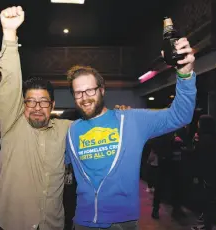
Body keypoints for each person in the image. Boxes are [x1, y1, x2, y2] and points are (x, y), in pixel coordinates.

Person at [65, 38, 196, 229]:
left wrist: (185, 75)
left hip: (122, 223)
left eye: (90, 90)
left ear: (102, 90)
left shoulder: (131, 120)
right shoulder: (71, 130)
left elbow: (181, 116)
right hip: (83, 222)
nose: (84, 98)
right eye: (78, 93)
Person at [0, 6, 72, 230]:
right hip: (11, 223)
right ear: (22, 105)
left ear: (52, 105)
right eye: (30, 101)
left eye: (44, 101)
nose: (37, 107)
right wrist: (9, 34)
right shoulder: (11, 125)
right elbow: (10, 82)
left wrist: (118, 115)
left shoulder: (65, 129)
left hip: (52, 225)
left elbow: (97, 125)